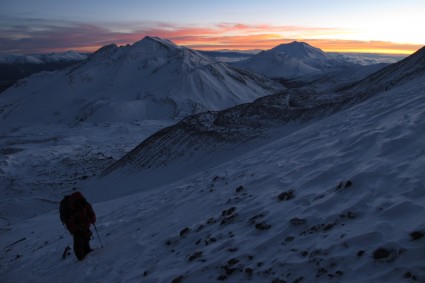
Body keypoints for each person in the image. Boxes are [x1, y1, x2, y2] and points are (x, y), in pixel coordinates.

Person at [60, 191, 96, 261]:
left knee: (86, 236)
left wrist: (91, 220)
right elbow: (70, 223)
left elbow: (91, 212)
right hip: (76, 226)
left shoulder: (85, 204)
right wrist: (77, 229)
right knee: (78, 239)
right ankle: (80, 257)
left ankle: (87, 251)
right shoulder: (71, 209)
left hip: (84, 223)